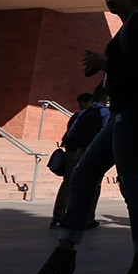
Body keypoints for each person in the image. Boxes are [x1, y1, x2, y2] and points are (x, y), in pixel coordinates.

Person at [22, 0, 138, 274]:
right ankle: (65, 253)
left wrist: (106, 63)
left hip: (134, 118)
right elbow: (130, 71)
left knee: (132, 185)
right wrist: (104, 78)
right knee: (85, 174)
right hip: (121, 117)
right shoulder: (131, 26)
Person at [50, 90, 108, 230]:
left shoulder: (80, 115)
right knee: (93, 186)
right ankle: (87, 218)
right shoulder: (104, 113)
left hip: (73, 151)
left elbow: (70, 133)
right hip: (90, 152)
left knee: (70, 184)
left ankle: (60, 216)